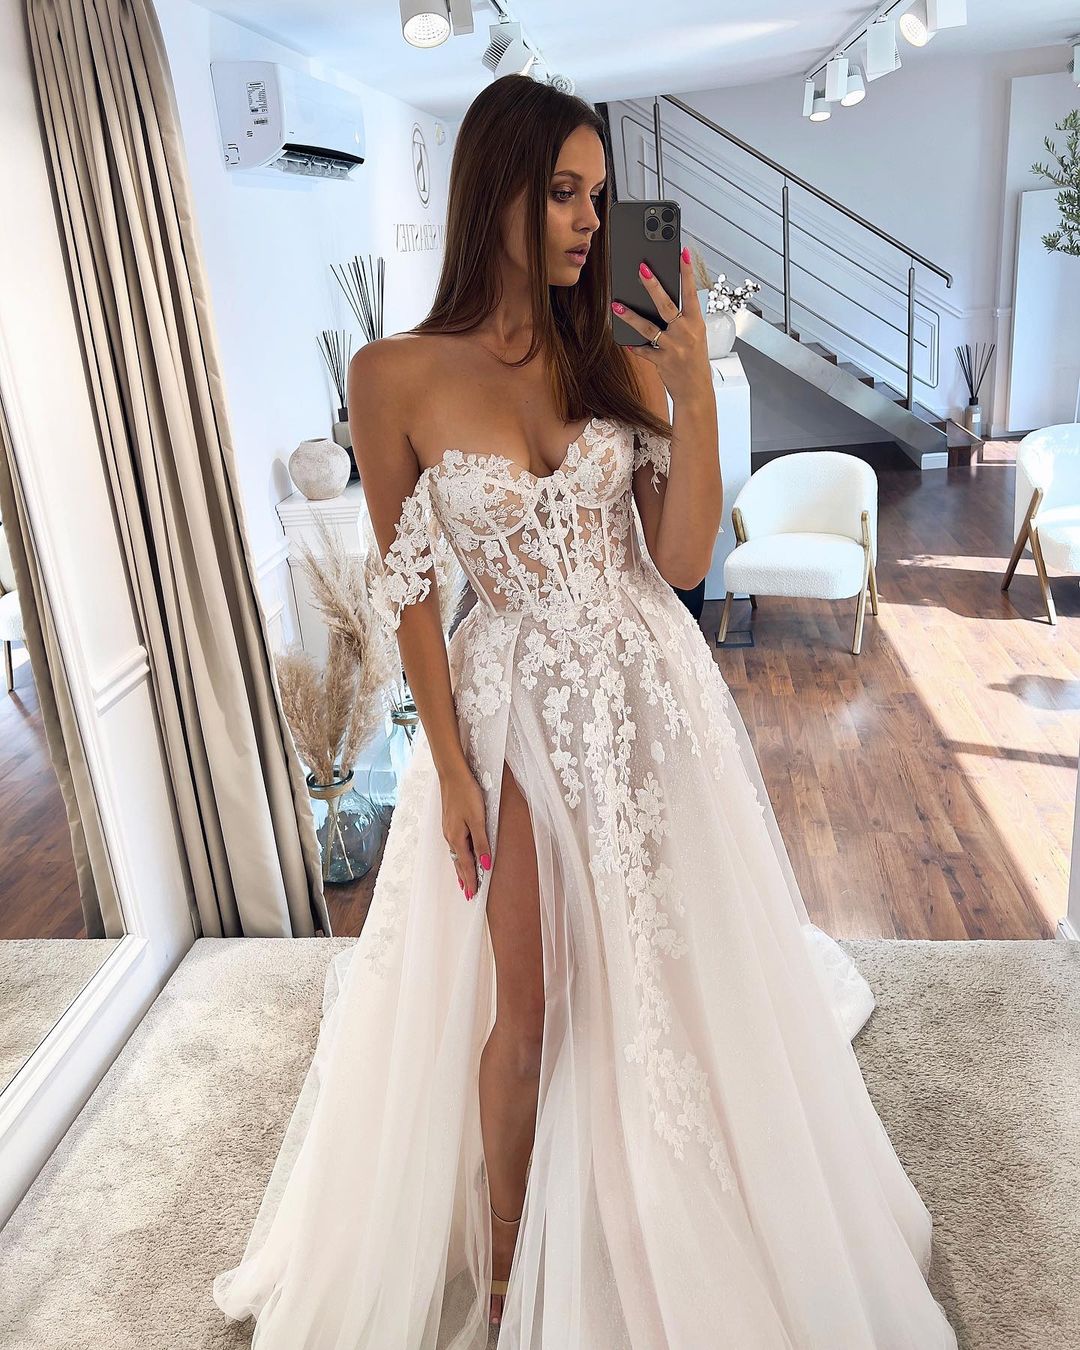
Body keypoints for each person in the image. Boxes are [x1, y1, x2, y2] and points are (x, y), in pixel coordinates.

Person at [213, 75, 958, 1349]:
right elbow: (409, 591)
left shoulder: (610, 347)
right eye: (562, 193)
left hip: (647, 690)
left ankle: (669, 1199)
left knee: (668, 967)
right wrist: (451, 768)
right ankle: (508, 1263)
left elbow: (681, 557)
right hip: (510, 709)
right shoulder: (393, 375)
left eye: (599, 197)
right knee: (531, 1005)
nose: (586, 221)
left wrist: (694, 390)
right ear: (493, 192)